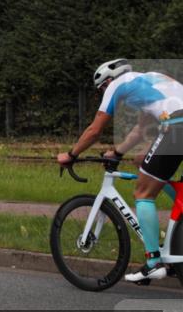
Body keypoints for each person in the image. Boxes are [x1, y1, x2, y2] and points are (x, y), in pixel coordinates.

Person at [57, 60, 183, 282]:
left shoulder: (117, 85)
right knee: (152, 169)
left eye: (102, 90)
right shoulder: (149, 80)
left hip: (177, 127)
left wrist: (71, 155)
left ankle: (153, 263)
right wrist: (117, 152)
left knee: (143, 193)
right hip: (176, 127)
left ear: (107, 81)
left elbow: (94, 130)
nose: (104, 94)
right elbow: (141, 129)